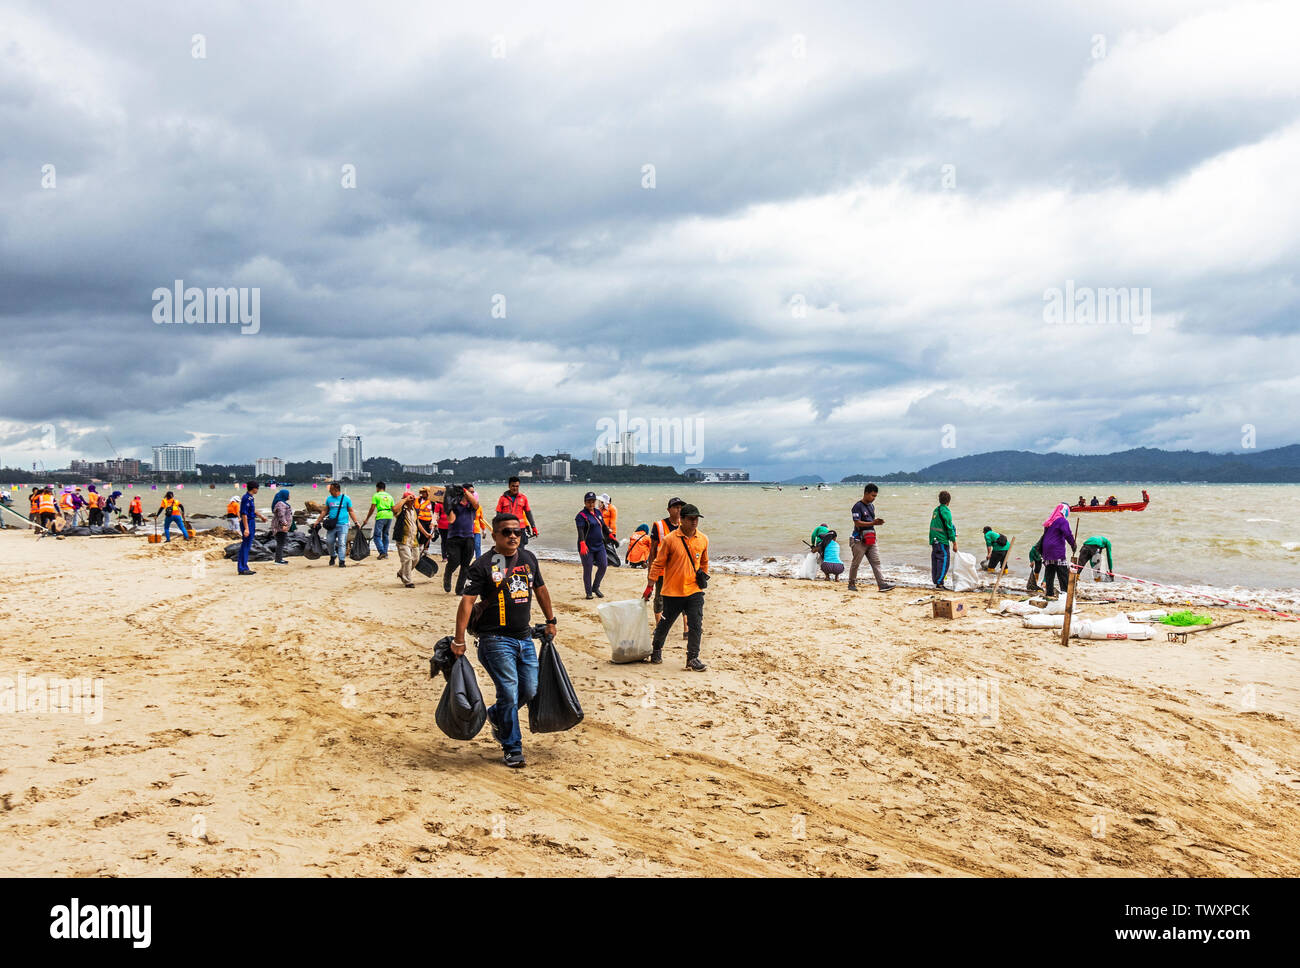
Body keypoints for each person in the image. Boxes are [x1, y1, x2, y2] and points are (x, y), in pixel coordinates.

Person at [453, 513, 556, 769]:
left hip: (524, 638)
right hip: (495, 640)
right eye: (507, 532)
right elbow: (467, 601)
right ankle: (512, 747)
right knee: (509, 692)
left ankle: (497, 715)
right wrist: (458, 639)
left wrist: (551, 620)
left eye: (517, 532)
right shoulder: (483, 565)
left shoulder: (529, 559)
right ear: (495, 535)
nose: (513, 536)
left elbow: (540, 590)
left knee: (529, 690)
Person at [643, 503, 709, 671]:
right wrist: (650, 585)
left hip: (694, 590)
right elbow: (658, 563)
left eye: (697, 519)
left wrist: (703, 577)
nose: (695, 522)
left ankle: (692, 658)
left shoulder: (703, 539)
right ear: (682, 520)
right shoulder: (670, 539)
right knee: (665, 624)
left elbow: (704, 562)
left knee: (696, 625)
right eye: (691, 519)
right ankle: (656, 650)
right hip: (672, 591)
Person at [848, 483, 895, 592]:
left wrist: (875, 523)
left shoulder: (871, 506)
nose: (874, 498)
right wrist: (873, 523)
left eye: (875, 496)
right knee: (856, 563)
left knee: (876, 562)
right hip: (859, 539)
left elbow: (870, 522)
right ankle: (851, 584)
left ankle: (881, 584)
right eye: (872, 496)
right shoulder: (857, 506)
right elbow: (857, 523)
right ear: (866, 493)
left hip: (871, 538)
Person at [648, 497, 684, 627]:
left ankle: (686, 629)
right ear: (669, 510)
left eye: (680, 507)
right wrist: (650, 572)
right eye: (675, 507)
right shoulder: (659, 526)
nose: (678, 510)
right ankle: (659, 626)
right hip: (662, 570)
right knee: (660, 598)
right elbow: (652, 550)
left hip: (680, 569)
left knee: (685, 597)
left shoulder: (684, 525)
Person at [443, 483, 480, 594]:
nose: (473, 494)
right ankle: (447, 574)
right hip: (454, 538)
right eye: (471, 491)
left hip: (469, 538)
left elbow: (476, 504)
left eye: (473, 492)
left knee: (465, 566)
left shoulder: (472, 506)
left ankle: (459, 589)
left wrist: (466, 491)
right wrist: (448, 506)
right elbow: (451, 520)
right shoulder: (454, 503)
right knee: (454, 561)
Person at [312, 482, 361, 567]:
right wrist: (317, 521)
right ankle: (333, 555)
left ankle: (342, 561)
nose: (329, 491)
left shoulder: (346, 499)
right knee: (329, 542)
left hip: (343, 525)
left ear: (336, 490)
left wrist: (356, 522)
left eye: (331, 489)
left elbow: (351, 511)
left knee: (342, 543)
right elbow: (324, 511)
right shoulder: (329, 499)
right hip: (332, 525)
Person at [575, 491, 608, 599]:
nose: (591, 504)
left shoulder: (598, 512)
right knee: (588, 568)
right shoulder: (581, 516)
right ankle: (589, 592)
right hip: (586, 546)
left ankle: (595, 587)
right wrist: (582, 543)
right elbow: (580, 531)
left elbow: (603, 526)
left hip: (599, 545)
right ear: (585, 502)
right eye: (589, 502)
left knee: (603, 565)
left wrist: (612, 537)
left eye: (593, 501)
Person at [1039, 503, 1076, 598]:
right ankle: (1065, 595)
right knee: (1062, 573)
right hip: (1056, 549)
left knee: (1049, 572)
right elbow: (1067, 533)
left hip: (1046, 550)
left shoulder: (1049, 521)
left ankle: (1049, 594)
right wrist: (1073, 544)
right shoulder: (1062, 521)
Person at [495, 477, 538, 544]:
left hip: (520, 529)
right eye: (513, 486)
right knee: (507, 551)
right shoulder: (502, 499)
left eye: (517, 486)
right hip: (507, 529)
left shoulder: (523, 498)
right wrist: (498, 529)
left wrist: (533, 527)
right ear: (509, 486)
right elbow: (498, 515)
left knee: (520, 551)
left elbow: (528, 513)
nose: (515, 488)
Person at [928, 490, 957, 589]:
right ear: (948, 501)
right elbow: (949, 527)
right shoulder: (946, 511)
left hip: (934, 539)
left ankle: (937, 581)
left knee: (936, 560)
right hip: (941, 540)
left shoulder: (936, 510)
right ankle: (940, 583)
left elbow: (939, 524)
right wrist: (954, 542)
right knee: (944, 560)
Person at [391, 491, 420, 587]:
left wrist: (427, 534)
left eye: (413, 499)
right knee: (407, 559)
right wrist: (405, 499)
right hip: (402, 539)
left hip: (413, 539)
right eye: (410, 499)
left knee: (416, 559)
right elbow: (394, 509)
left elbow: (417, 523)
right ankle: (408, 581)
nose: (412, 501)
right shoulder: (401, 509)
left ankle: (401, 573)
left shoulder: (414, 510)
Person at [237, 482, 267, 576]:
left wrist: (261, 516)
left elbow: (252, 510)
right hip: (248, 522)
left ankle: (244, 566)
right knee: (245, 545)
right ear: (253, 488)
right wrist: (246, 528)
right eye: (257, 488)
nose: (257, 490)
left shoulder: (251, 498)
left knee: (247, 545)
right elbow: (244, 514)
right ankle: (242, 568)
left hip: (251, 521)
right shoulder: (246, 498)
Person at [361, 481, 396, 560]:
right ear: (384, 488)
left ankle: (382, 552)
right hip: (389, 515)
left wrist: (367, 519)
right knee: (385, 535)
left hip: (381, 515)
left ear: (377, 488)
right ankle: (385, 553)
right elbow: (393, 509)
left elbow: (372, 508)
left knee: (376, 536)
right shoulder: (390, 496)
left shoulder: (376, 495)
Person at [270, 488, 293, 564]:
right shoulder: (281, 504)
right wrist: (284, 524)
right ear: (284, 495)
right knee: (280, 542)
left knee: (281, 542)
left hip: (281, 526)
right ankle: (278, 560)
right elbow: (281, 515)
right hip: (280, 527)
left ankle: (279, 559)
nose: (289, 496)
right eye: (288, 494)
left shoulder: (282, 503)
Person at [415, 487, 436, 554]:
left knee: (428, 534)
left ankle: (426, 549)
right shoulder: (418, 500)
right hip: (420, 520)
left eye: (424, 492)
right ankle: (420, 546)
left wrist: (433, 522)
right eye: (422, 492)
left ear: (428, 493)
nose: (423, 493)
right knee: (422, 534)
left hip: (429, 520)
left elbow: (434, 512)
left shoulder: (432, 502)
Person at [469, 485, 487, 558]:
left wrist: (484, 530)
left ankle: (478, 561)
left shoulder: (479, 508)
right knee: (469, 549)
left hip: (476, 530)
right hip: (468, 531)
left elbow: (481, 519)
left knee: (477, 546)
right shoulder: (467, 507)